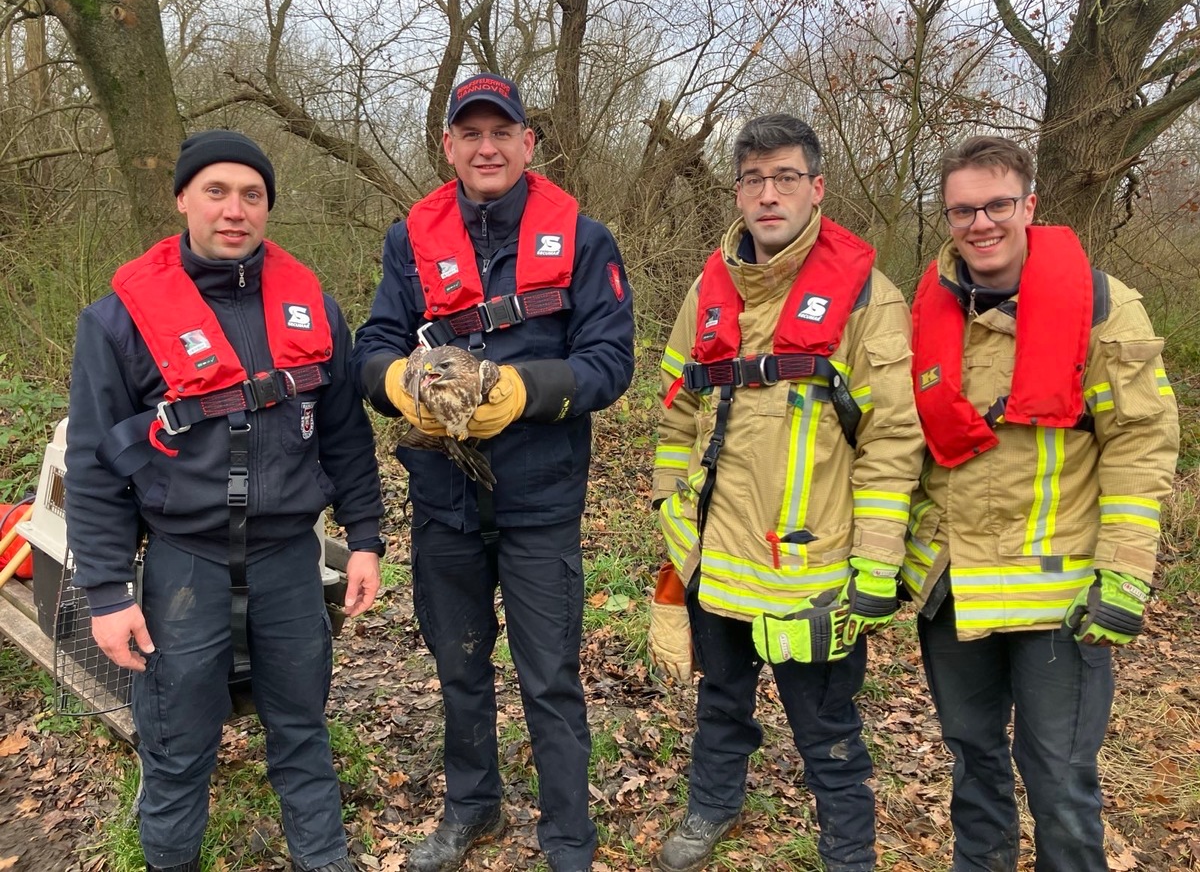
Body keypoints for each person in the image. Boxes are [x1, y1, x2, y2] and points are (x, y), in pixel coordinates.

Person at [64, 129, 386, 872]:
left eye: (252, 195)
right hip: (185, 567)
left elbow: (343, 437)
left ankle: (324, 861)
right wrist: (108, 594)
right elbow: (94, 466)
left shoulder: (314, 309)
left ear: (269, 207)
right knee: (178, 746)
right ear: (183, 198)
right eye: (216, 191)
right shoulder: (117, 321)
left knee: (302, 734)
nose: (234, 210)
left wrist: (363, 536)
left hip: (287, 564)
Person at [352, 73, 634, 872]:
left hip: (540, 495)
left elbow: (613, 363)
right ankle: (473, 808)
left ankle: (568, 834)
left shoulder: (582, 237)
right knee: (460, 665)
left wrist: (524, 391)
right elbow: (373, 344)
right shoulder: (411, 238)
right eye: (469, 133)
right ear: (448, 146)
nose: (486, 147)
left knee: (549, 676)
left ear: (527, 144)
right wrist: (397, 382)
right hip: (442, 496)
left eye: (500, 132)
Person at [648, 113, 924, 872]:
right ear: (736, 193)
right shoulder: (709, 288)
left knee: (828, 726)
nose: (769, 195)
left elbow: (895, 440)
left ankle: (848, 850)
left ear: (817, 188)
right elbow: (675, 407)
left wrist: (875, 561)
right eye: (754, 180)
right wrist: (672, 508)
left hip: (814, 566)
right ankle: (712, 806)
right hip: (719, 556)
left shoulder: (869, 297)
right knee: (720, 704)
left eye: (786, 178)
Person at [904, 135, 1180, 871]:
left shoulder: (1100, 306)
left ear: (1030, 205)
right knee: (973, 763)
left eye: (997, 204)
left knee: (1058, 780)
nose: (980, 223)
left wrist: (1123, 575)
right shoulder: (928, 309)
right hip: (953, 584)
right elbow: (901, 445)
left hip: (1059, 594)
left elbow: (1140, 447)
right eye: (963, 209)